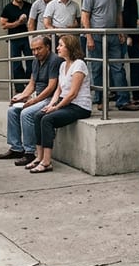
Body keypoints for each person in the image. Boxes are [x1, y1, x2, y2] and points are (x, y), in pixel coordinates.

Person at [24, 34, 92, 173]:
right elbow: (59, 90)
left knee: (48, 119)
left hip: (79, 106)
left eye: (61, 45)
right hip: (65, 103)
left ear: (70, 47)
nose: (57, 48)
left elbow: (72, 94)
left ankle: (47, 162)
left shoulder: (79, 64)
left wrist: (56, 108)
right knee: (39, 115)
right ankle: (39, 157)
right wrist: (51, 105)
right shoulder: (62, 65)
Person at [82, 0, 136, 111]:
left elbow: (118, 13)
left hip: (112, 35)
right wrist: (89, 37)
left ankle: (123, 101)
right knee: (97, 68)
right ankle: (100, 100)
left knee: (118, 68)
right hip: (97, 36)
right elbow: (85, 16)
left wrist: (120, 31)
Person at [1, 35, 61, 166]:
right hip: (37, 97)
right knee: (12, 110)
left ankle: (29, 152)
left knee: (26, 113)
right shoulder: (36, 61)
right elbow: (32, 83)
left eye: (38, 49)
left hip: (50, 99)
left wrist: (33, 101)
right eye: (33, 50)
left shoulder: (54, 60)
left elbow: (51, 87)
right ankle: (16, 148)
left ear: (47, 47)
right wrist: (21, 96)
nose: (35, 53)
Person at [0, 0, 31, 91]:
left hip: (28, 38)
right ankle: (19, 88)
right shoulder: (8, 8)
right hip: (15, 39)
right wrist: (18, 22)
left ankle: (29, 85)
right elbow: (3, 24)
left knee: (31, 62)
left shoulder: (29, 6)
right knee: (16, 64)